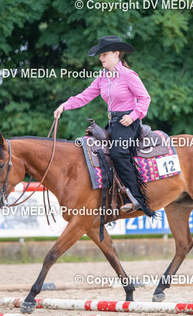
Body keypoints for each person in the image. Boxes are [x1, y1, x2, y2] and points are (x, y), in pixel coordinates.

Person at [54, 35, 154, 216]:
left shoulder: (128, 75)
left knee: (118, 153)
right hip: (113, 123)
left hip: (129, 123)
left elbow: (145, 99)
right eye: (100, 55)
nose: (100, 58)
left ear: (116, 54)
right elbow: (85, 96)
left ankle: (136, 199)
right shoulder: (102, 77)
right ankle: (108, 197)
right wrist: (64, 106)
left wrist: (132, 116)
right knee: (97, 152)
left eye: (104, 54)